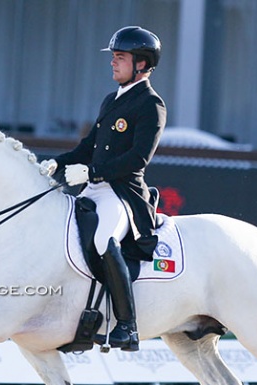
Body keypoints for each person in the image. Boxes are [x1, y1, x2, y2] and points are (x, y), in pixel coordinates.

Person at [40, 26, 166, 352]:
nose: (113, 62)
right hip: (93, 188)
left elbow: (138, 158)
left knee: (102, 239)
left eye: (120, 57)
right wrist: (59, 162)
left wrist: (93, 171)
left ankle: (128, 326)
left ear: (141, 64)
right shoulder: (112, 100)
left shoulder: (151, 105)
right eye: (113, 57)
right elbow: (88, 146)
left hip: (122, 194)